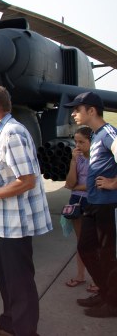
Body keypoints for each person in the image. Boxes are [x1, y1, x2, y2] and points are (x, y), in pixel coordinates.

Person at [0, 85, 52, 336]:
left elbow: (26, 180)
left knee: (20, 283)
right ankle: (9, 326)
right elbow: (5, 174)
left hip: (16, 223)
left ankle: (25, 331)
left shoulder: (13, 133)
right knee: (7, 280)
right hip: (3, 222)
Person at [63, 91, 117, 318]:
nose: (73, 114)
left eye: (77, 109)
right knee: (85, 249)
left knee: (107, 255)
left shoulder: (108, 133)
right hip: (93, 204)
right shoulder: (96, 136)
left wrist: (114, 182)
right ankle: (105, 293)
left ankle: (113, 303)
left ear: (92, 111)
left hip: (107, 205)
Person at [63, 126, 96, 291]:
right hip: (76, 200)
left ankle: (97, 278)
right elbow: (69, 183)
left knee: (93, 241)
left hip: (91, 200)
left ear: (92, 142)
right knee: (81, 241)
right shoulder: (78, 158)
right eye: (76, 142)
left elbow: (94, 184)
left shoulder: (97, 159)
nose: (78, 145)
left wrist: (76, 186)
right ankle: (80, 275)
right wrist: (73, 161)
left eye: (82, 142)